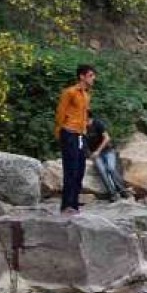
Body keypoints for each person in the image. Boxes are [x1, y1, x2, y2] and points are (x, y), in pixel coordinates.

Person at [54, 64, 96, 214]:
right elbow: (60, 112)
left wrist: (85, 129)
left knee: (80, 169)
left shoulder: (86, 95)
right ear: (81, 76)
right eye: (90, 75)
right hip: (69, 132)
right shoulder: (70, 92)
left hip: (80, 134)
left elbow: (85, 115)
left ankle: (74, 204)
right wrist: (60, 132)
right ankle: (67, 205)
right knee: (70, 169)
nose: (93, 78)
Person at [86, 112, 128, 202]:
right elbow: (83, 143)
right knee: (102, 171)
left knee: (111, 168)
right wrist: (89, 154)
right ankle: (112, 193)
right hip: (95, 154)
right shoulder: (82, 128)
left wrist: (98, 151)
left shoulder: (97, 123)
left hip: (108, 151)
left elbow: (107, 138)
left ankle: (122, 190)